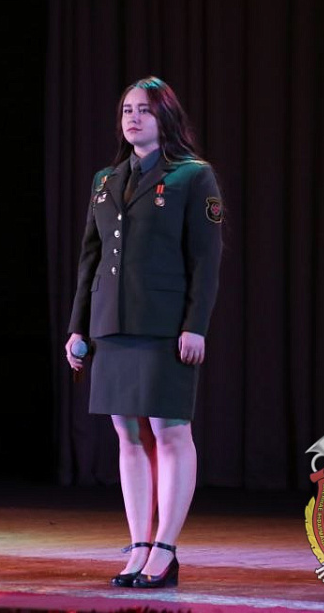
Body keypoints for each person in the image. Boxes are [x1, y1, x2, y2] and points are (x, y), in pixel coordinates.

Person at [63, 76, 223, 589]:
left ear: (165, 118)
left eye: (144, 110)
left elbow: (206, 261)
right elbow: (90, 258)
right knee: (128, 435)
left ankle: (165, 549)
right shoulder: (106, 179)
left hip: (163, 325)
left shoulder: (191, 175)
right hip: (111, 324)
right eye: (127, 110)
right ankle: (138, 544)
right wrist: (78, 327)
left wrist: (195, 326)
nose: (132, 118)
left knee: (170, 432)